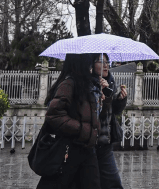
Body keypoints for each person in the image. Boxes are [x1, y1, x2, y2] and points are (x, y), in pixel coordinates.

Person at [37, 53, 102, 189]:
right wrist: (81, 129)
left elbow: (92, 116)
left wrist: (103, 100)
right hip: (70, 149)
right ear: (81, 63)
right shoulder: (68, 83)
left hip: (87, 149)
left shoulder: (88, 84)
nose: (91, 66)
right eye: (89, 62)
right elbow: (54, 114)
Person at [93, 54, 128, 189]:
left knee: (114, 183)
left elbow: (114, 111)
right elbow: (94, 114)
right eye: (101, 61)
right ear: (92, 64)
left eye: (107, 62)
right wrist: (99, 95)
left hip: (105, 144)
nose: (106, 65)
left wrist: (120, 99)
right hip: (89, 144)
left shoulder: (110, 82)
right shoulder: (86, 83)